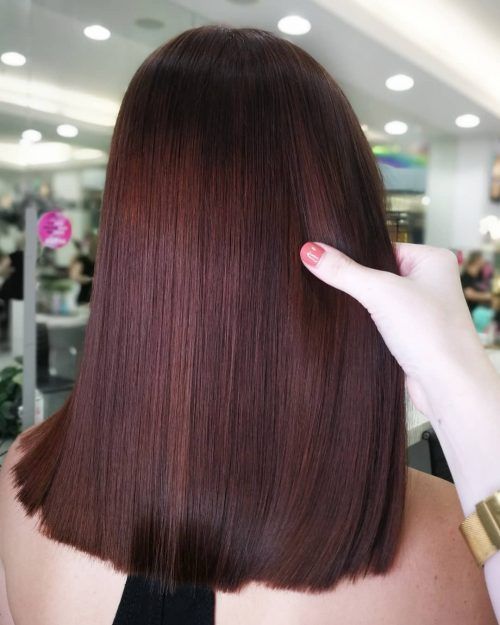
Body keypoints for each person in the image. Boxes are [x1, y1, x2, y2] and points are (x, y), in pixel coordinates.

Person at [0, 26, 499, 625]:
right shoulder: (459, 547)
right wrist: (462, 379)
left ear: (132, 244)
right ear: (352, 232)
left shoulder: (24, 482)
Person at [68, 233, 97, 304]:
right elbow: (74, 276)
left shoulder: (101, 261)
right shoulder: (82, 260)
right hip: (84, 298)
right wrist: (89, 279)